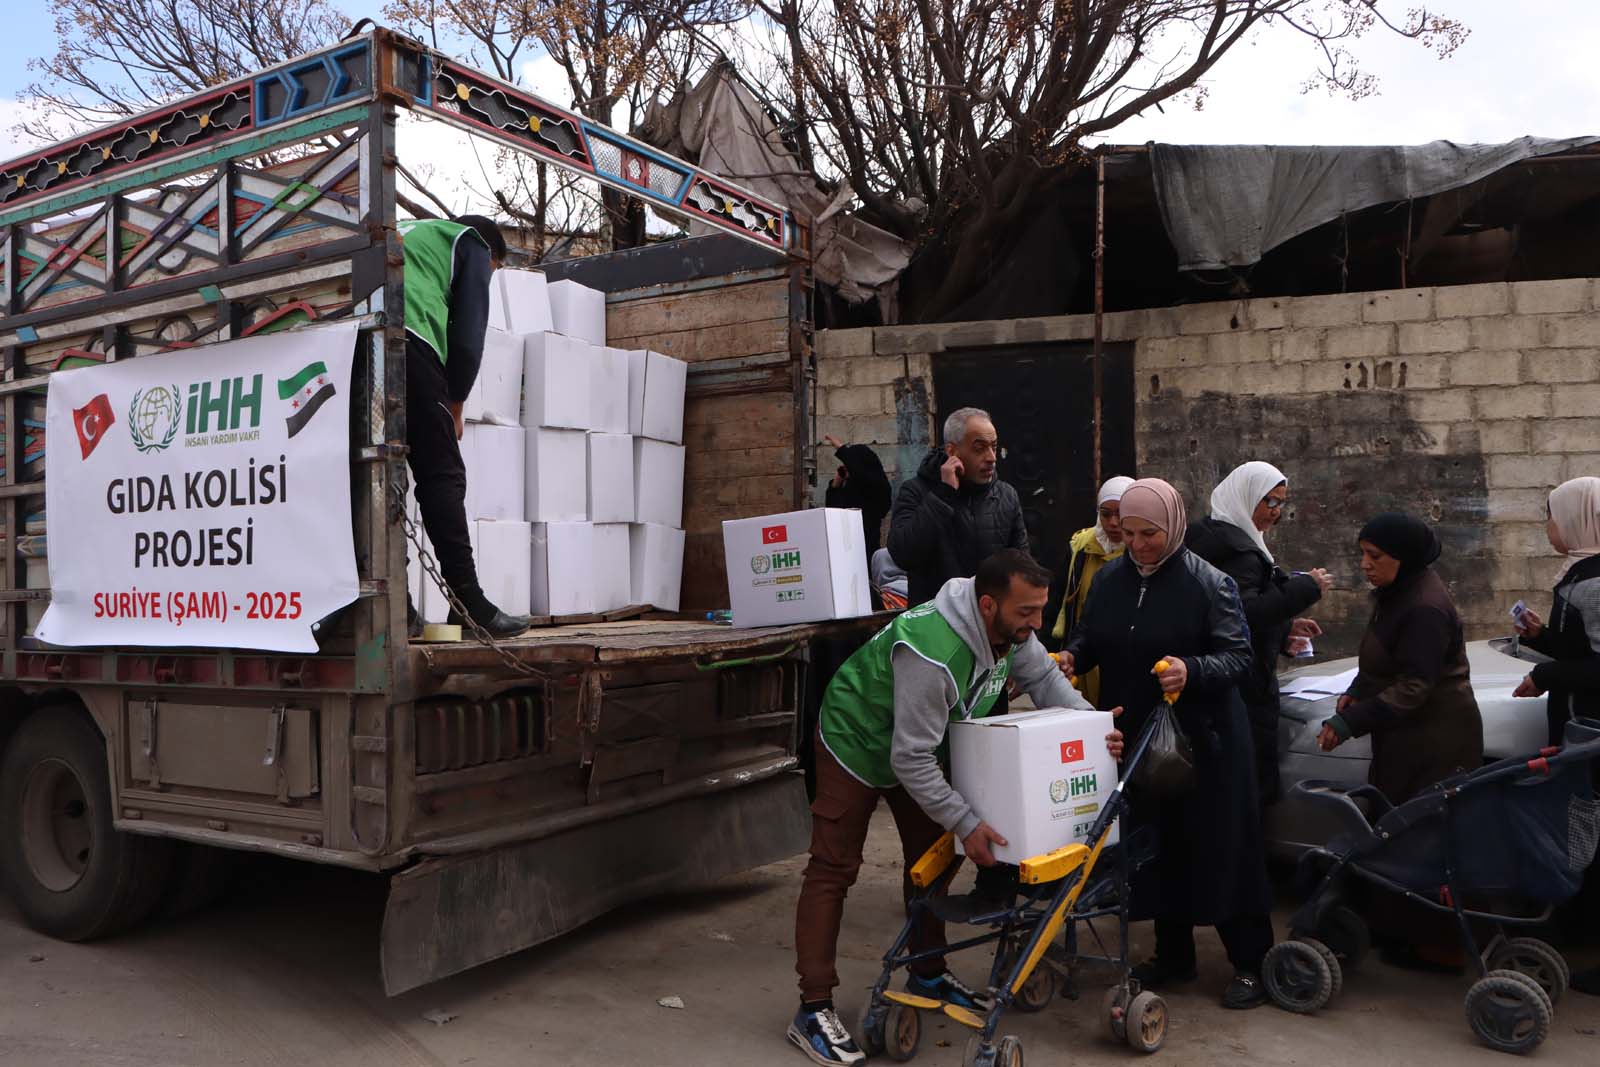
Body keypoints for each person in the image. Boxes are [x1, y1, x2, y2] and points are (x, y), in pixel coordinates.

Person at [788, 550, 1124, 1065]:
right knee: (834, 867)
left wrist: (1094, 727)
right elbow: (909, 757)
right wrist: (966, 820)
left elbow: (1048, 683)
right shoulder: (933, 652)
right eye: (1026, 613)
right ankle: (812, 1009)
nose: (1036, 625)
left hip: (917, 743)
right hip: (855, 740)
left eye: (1040, 611)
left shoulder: (1011, 633)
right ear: (988, 605)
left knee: (931, 860)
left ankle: (926, 972)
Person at [1060, 478, 1274, 1010]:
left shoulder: (1210, 584)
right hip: (1137, 740)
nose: (1137, 544)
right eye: (1128, 533)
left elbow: (1238, 657)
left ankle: (1251, 963)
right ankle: (1174, 956)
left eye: (1149, 533)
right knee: (1159, 848)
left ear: (1174, 526)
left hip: (1207, 743)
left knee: (1222, 847)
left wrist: (1191, 668)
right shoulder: (1110, 578)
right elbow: (1091, 637)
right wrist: (1071, 658)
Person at [399, 213, 530, 637]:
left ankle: (396, 608)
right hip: (408, 338)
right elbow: (469, 334)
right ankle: (469, 604)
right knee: (442, 473)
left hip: (349, 340)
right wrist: (455, 403)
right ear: (493, 255)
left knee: (377, 474)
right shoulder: (470, 242)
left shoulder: (409, 233)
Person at [1184, 461, 1333, 806]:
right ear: (1246, 496)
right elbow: (1245, 614)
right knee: (1245, 789)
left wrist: (1283, 632)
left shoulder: (1212, 535)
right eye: (1270, 502)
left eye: (1281, 503)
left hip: (1218, 679)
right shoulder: (1238, 552)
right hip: (1243, 688)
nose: (1276, 513)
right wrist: (1305, 588)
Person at [1316, 513, 1483, 804]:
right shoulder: (1396, 592)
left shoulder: (1423, 607)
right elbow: (1387, 656)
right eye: (1363, 553)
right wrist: (1358, 689)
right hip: (1407, 735)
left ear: (1404, 556)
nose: (1364, 564)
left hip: (1432, 742)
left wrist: (1349, 722)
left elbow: (1415, 684)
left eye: (1375, 556)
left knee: (1421, 833)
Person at [1510, 477, 1600, 996]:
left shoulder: (1594, 581)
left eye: (1550, 515)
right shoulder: (1580, 574)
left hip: (1594, 732)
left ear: (1574, 519)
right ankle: (1579, 924)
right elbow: (1581, 650)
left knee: (1593, 834)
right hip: (1581, 729)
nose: (1546, 527)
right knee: (1583, 832)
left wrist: (1546, 676)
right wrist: (1543, 639)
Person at [887, 407, 1027, 608]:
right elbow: (902, 554)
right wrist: (944, 494)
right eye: (979, 448)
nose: (991, 457)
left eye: (993, 447)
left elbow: (1021, 567)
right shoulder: (916, 491)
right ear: (952, 451)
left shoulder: (1006, 496)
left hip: (989, 627)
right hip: (936, 625)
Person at [1044, 475, 1134, 704]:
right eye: (1106, 514)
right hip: (1083, 659)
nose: (1114, 523)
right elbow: (1058, 602)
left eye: (1121, 514)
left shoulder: (1142, 554)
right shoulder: (1080, 548)